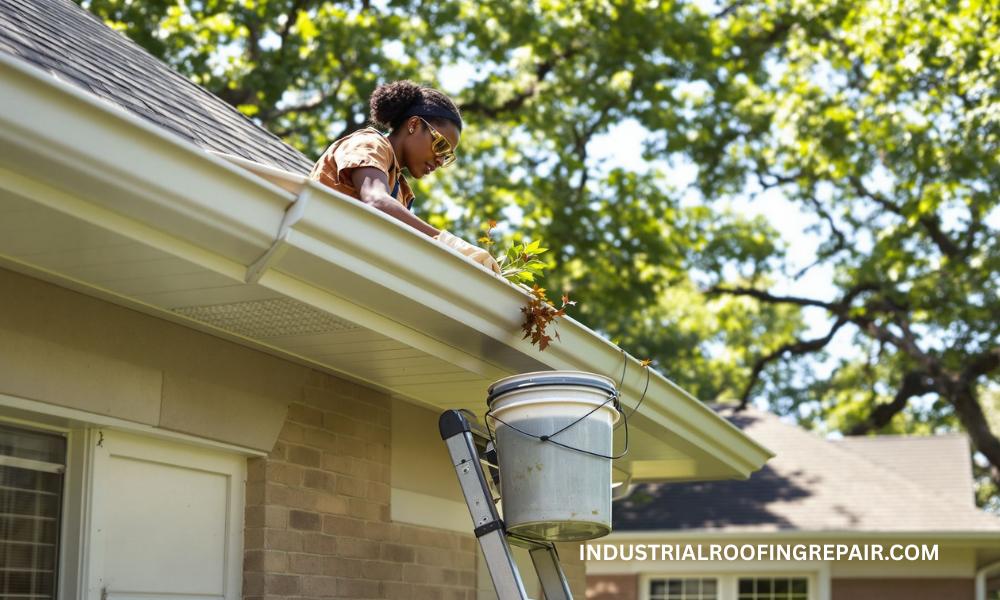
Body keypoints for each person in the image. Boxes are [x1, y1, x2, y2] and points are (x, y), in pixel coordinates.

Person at [309, 80, 500, 274]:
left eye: (447, 156)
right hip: (313, 250)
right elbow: (375, 200)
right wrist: (448, 242)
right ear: (414, 124)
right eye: (440, 146)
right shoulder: (370, 144)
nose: (441, 161)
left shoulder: (401, 190)